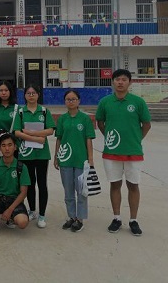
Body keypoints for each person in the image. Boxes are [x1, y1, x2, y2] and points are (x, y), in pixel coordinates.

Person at [95, 69, 151, 236]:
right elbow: (100, 122)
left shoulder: (138, 102)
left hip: (133, 152)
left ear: (129, 82)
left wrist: (136, 139)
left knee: (133, 185)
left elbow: (146, 124)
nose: (120, 82)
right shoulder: (105, 102)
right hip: (111, 152)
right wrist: (111, 138)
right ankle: (116, 218)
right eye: (117, 79)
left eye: (124, 79)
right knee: (115, 184)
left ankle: (133, 220)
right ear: (112, 82)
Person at [54, 89, 96, 232]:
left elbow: (89, 139)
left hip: (80, 160)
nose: (71, 102)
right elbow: (59, 139)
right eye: (68, 99)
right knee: (68, 191)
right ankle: (71, 216)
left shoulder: (85, 119)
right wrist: (56, 156)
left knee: (81, 191)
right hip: (65, 159)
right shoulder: (62, 119)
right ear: (64, 102)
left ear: (79, 101)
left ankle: (80, 219)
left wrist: (90, 159)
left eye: (73, 99)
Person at [14, 84, 55, 228]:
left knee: (42, 184)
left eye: (34, 93)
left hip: (42, 154)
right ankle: (32, 210)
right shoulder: (20, 112)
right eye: (28, 93)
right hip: (26, 154)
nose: (31, 95)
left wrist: (31, 133)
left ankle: (42, 215)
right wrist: (36, 138)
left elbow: (50, 130)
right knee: (30, 184)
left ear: (38, 95)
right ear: (24, 96)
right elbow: (17, 132)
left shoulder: (44, 111)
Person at [0, 133, 30, 236]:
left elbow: (23, 193)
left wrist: (10, 210)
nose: (7, 149)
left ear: (15, 147)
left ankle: (11, 218)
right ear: (0, 148)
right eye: (3, 145)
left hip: (14, 200)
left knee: (23, 223)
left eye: (10, 145)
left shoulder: (21, 167)